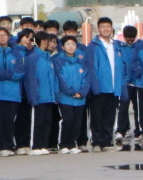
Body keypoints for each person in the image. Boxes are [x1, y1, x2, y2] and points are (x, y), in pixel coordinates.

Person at [86, 17, 126, 152]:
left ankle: (107, 141)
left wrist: (120, 86)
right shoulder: (93, 46)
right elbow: (91, 67)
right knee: (97, 116)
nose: (106, 29)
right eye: (103, 26)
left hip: (113, 87)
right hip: (99, 87)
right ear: (98, 29)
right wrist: (94, 86)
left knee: (110, 115)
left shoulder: (116, 46)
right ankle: (96, 141)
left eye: (108, 26)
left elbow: (120, 67)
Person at [53, 35, 88, 153]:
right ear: (62, 47)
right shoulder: (58, 60)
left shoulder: (81, 61)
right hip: (66, 97)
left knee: (77, 122)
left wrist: (82, 92)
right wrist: (71, 92)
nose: (71, 46)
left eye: (73, 44)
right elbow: (60, 78)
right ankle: (63, 144)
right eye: (68, 44)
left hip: (79, 98)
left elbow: (85, 78)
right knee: (68, 120)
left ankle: (72, 143)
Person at [0, 27, 22, 155]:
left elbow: (20, 72)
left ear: (9, 37)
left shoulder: (15, 53)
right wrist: (8, 74)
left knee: (9, 121)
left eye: (4, 35)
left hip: (12, 94)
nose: (2, 37)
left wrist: (7, 75)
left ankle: (8, 146)